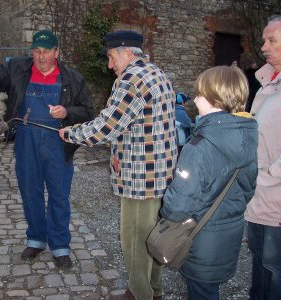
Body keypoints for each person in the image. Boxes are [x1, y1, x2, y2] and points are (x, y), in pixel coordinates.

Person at [59, 30, 177, 300]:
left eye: (111, 57)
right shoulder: (157, 73)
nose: (109, 65)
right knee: (154, 237)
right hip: (161, 175)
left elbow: (106, 127)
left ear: (126, 52)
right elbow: (136, 125)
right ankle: (154, 290)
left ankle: (139, 294)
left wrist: (71, 132)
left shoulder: (131, 79)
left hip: (140, 178)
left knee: (135, 240)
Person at [0, 29, 93, 269]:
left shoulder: (72, 79)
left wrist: (67, 113)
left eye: (46, 52)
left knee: (59, 195)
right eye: (37, 51)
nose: (41, 57)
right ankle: (36, 238)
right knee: (30, 192)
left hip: (58, 143)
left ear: (57, 52)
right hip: (26, 140)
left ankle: (60, 245)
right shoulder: (19, 69)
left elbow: (87, 111)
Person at [161, 66, 258, 300]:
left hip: (201, 237)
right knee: (208, 290)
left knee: (201, 292)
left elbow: (178, 205)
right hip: (227, 233)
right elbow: (249, 187)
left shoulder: (200, 145)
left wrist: (165, 210)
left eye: (199, 94)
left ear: (214, 98)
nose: (195, 99)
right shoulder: (247, 135)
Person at [244, 15, 281, 300]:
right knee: (259, 264)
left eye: (272, 40)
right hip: (259, 196)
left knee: (274, 270)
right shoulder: (268, 80)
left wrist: (264, 178)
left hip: (274, 198)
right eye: (264, 40)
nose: (264, 46)